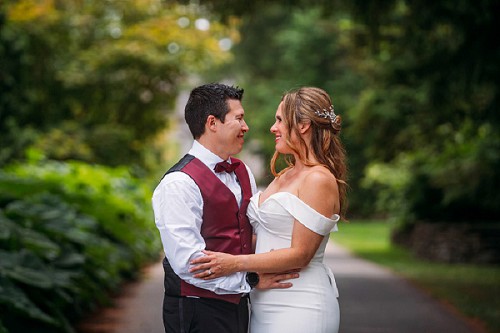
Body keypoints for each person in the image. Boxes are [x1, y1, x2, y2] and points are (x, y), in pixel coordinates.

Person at [189, 86, 348, 333]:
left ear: (303, 125)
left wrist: (233, 264)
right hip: (265, 302)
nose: (273, 128)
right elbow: (262, 236)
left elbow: (301, 254)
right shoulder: (285, 175)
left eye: (280, 120)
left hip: (301, 302)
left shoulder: (318, 179)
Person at [152, 83, 298, 333]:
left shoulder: (243, 172)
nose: (246, 126)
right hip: (197, 309)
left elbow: (249, 234)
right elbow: (190, 263)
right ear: (212, 123)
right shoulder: (178, 183)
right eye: (239, 118)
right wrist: (250, 279)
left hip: (239, 305)